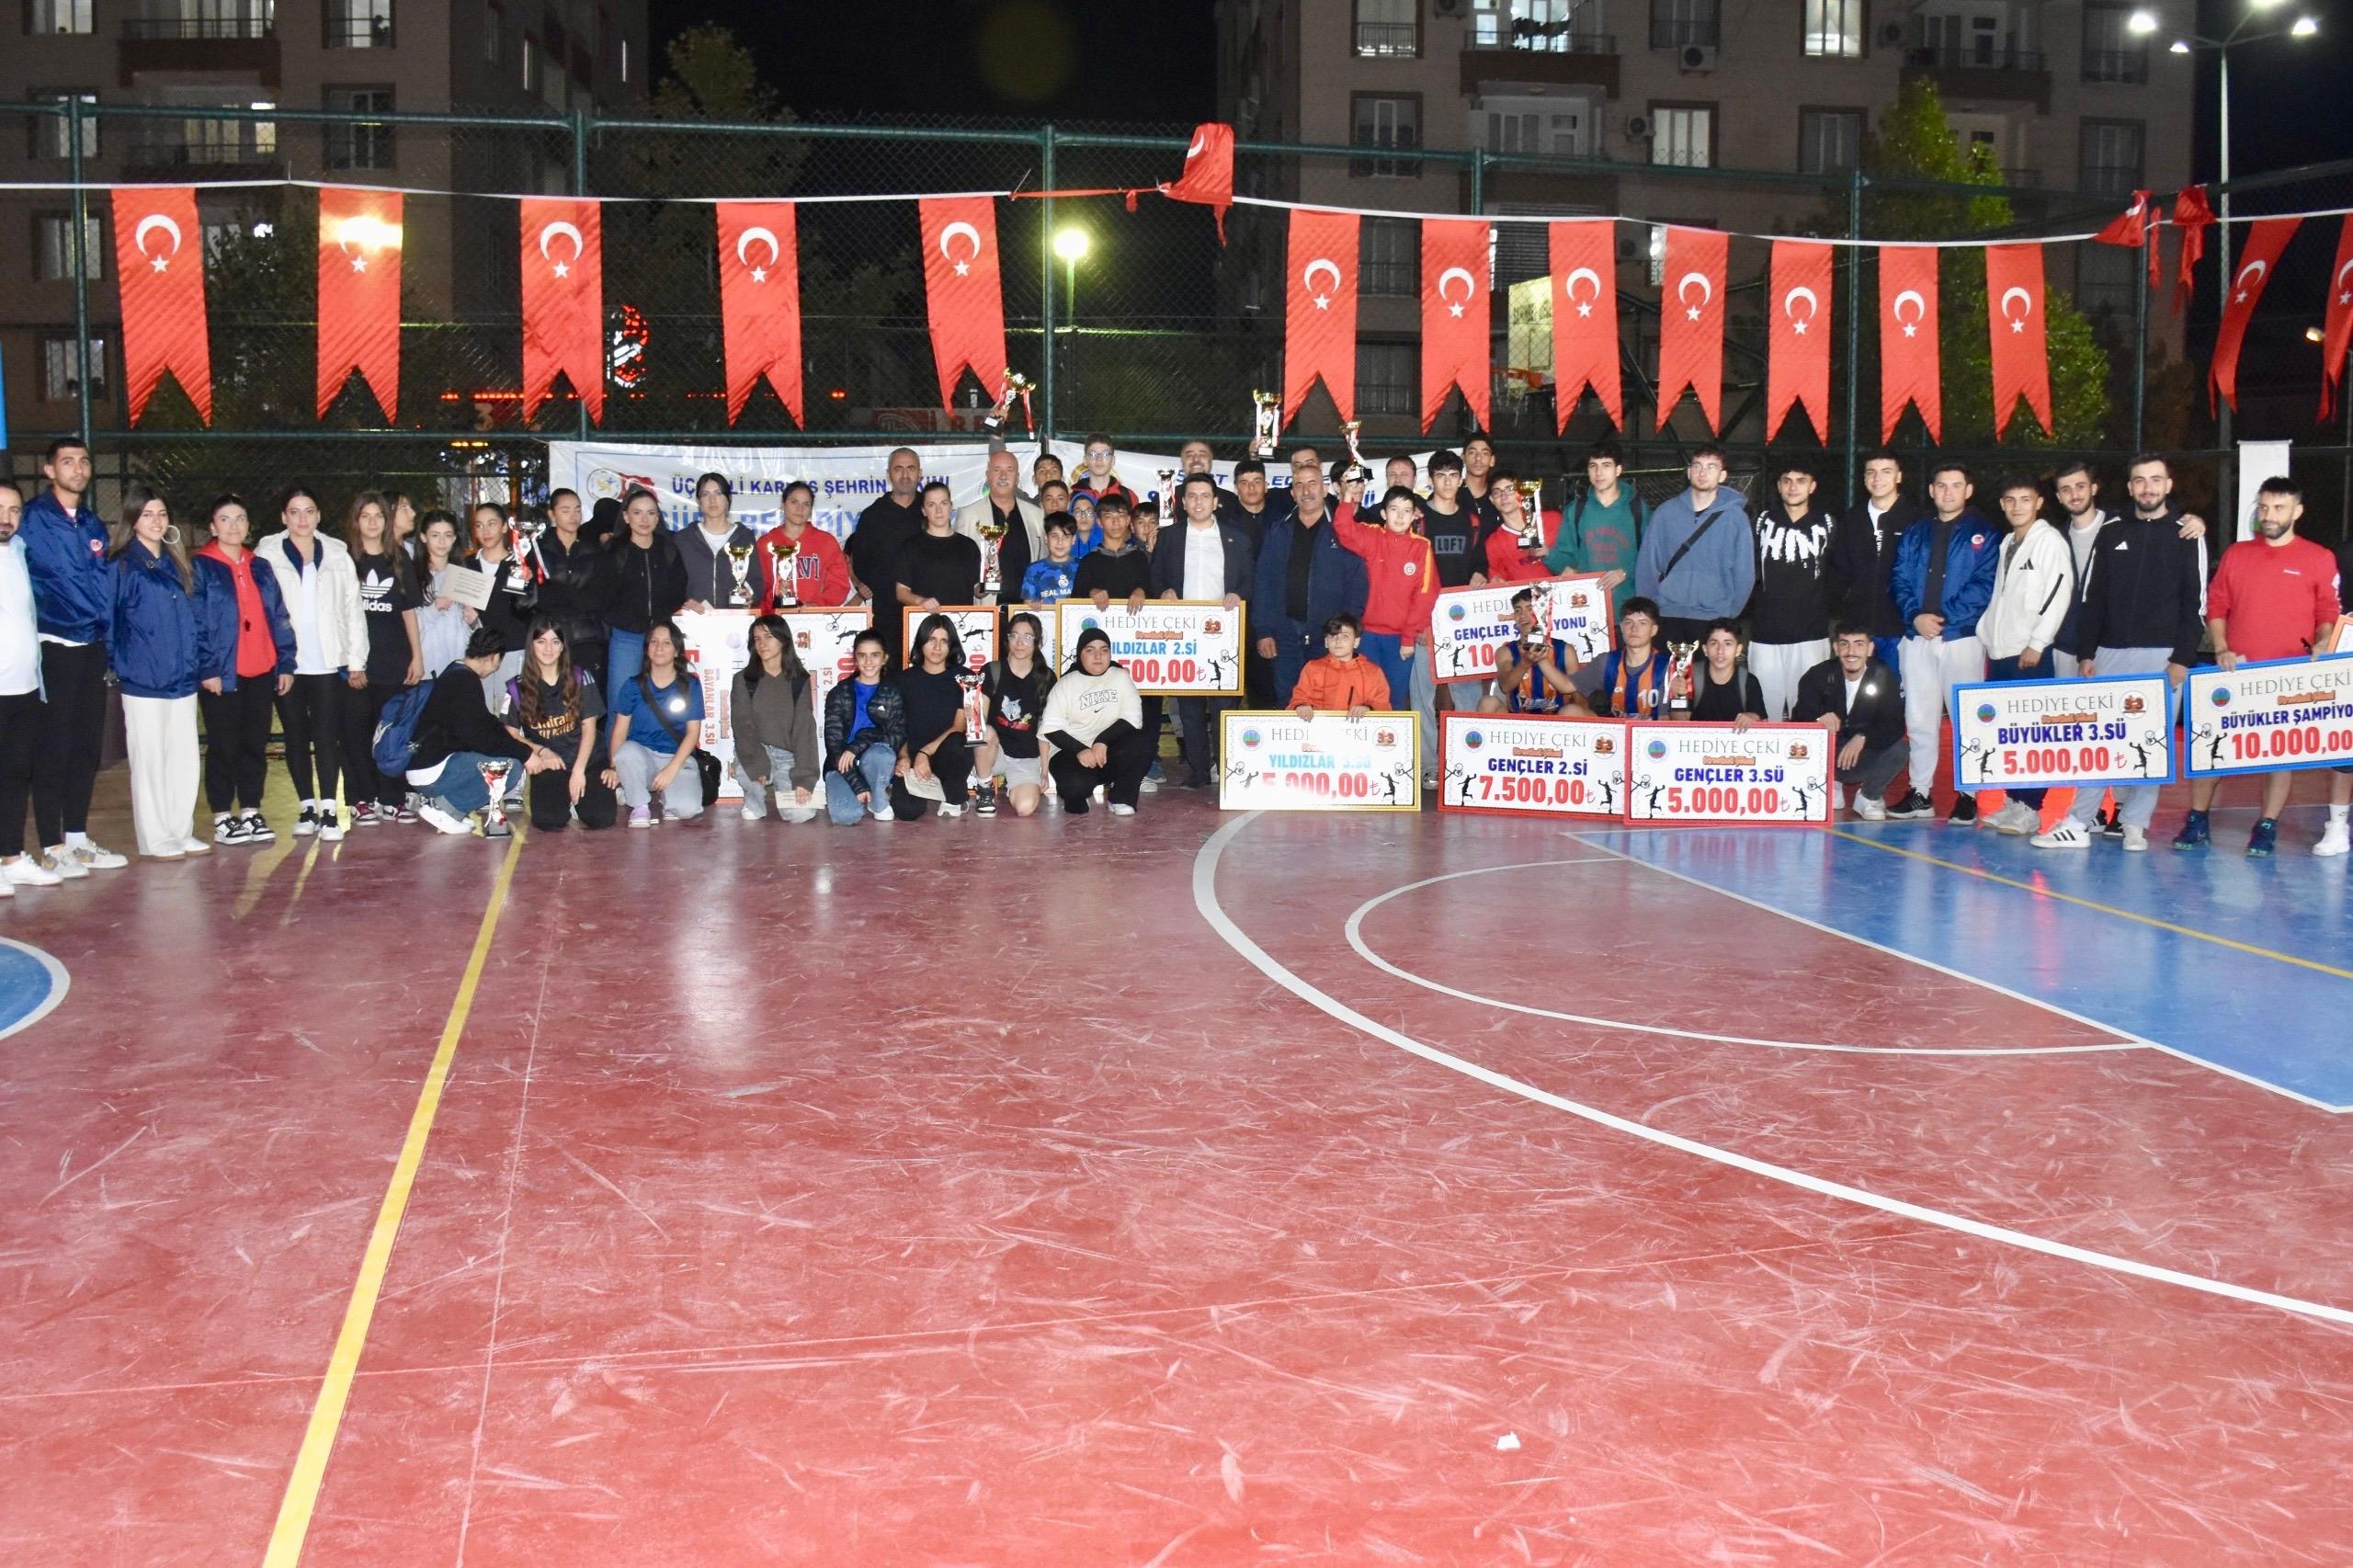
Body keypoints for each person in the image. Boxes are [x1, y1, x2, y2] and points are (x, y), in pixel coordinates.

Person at [2033, 454, 2209, 853]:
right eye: (2140, 481)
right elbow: (2092, 599)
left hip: (2164, 657)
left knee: (2152, 742)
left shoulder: (2188, 534)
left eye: (2156, 480)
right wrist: (2086, 653)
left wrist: (2182, 658)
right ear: (2129, 488)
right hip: (2109, 653)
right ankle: (2079, 821)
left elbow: (2195, 604)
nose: (2148, 487)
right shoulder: (2110, 532)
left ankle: (2135, 824)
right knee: (2101, 738)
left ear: (2168, 485)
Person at [2174, 476, 2340, 858]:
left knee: (2279, 755)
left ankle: (2267, 825)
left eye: (2279, 508)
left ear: (2297, 512)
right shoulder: (2237, 554)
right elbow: (2216, 606)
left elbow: (2327, 611)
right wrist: (2222, 648)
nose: (2269, 515)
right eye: (2264, 507)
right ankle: (2197, 819)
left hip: (2288, 674)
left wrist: (2321, 642)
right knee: (2210, 749)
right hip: (2236, 673)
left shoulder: (2318, 557)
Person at [17, 437, 127, 875]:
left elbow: (101, 586)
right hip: (54, 647)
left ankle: (77, 838)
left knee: (85, 748)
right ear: (49, 470)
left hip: (91, 648)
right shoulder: (31, 521)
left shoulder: (92, 524)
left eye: (83, 462)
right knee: (53, 749)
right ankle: (51, 845)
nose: (78, 469)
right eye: (68, 462)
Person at [105, 488, 225, 859]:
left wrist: (199, 664)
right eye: (147, 515)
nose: (156, 521)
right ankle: (156, 838)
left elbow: (193, 620)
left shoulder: (179, 562)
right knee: (150, 760)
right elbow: (108, 623)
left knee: (184, 758)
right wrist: (124, 664)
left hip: (181, 679)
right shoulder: (122, 564)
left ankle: (180, 830)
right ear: (132, 521)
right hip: (144, 681)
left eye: (161, 514)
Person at [1889, 462, 2000, 824]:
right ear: (1932, 491)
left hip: (1961, 639)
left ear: (1968, 490)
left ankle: (1969, 795)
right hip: (1916, 637)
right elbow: (1900, 577)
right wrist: (1916, 616)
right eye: (1941, 486)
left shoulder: (1985, 533)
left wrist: (1945, 619)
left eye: (1956, 485)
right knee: (1919, 718)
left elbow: (1985, 585)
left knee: (1968, 719)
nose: (1948, 492)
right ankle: (1920, 793)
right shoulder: (1916, 531)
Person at [258, 485, 368, 842]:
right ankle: (306, 806)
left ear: (319, 515)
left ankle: (329, 811)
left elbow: (353, 610)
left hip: (326, 662)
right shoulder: (268, 552)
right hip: (287, 662)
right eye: (294, 511)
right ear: (283, 517)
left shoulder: (337, 552)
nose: (302, 518)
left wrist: (355, 659)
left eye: (309, 511)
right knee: (295, 735)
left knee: (326, 736)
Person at [1973, 474, 2075, 835]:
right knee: (2006, 734)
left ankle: (2032, 807)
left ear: (2039, 503)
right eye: (2011, 500)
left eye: (2025, 499)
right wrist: (1986, 633)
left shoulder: (2049, 541)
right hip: (2001, 652)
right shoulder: (2006, 543)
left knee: (2030, 733)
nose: (2018, 506)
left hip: (2029, 654)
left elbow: (2059, 592)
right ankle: (2014, 801)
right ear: (2002, 505)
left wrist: (2038, 641)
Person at [192, 494, 296, 845]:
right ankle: (223, 815)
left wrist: (284, 661)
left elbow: (279, 616)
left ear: (248, 525)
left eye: (240, 518)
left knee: (255, 743)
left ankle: (251, 810)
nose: (233, 526)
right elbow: (197, 622)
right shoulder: (202, 566)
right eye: (225, 519)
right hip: (224, 673)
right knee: (223, 745)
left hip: (261, 669)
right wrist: (208, 667)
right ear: (212, 526)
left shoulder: (260, 566)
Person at [405, 627, 562, 836]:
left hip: (427, 764)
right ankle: (446, 809)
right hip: (435, 769)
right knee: (510, 768)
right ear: (495, 657)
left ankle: (447, 806)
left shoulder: (456, 671)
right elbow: (478, 735)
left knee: (502, 756)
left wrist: (522, 747)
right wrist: (524, 755)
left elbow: (485, 724)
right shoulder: (464, 681)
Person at [1151, 474, 1254, 789]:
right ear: (1183, 503)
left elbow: (1251, 579)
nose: (1198, 502)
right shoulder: (1169, 537)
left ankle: (1226, 766)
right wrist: (1165, 591)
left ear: (1215, 501)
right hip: (1184, 633)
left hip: (1223, 633)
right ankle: (1198, 770)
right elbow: (1154, 576)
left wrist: (1239, 594)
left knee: (1224, 705)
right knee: (1191, 706)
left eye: (1204, 496)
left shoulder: (1237, 538)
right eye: (1192, 496)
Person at [1252, 449, 1368, 709]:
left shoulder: (1344, 532)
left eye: (1312, 483)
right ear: (1292, 493)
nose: (1306, 491)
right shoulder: (1278, 531)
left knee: (1331, 700)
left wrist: (1343, 630)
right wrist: (1264, 630)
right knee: (1288, 698)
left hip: (1329, 635)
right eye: (1299, 485)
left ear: (1325, 489)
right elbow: (1264, 583)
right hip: (1285, 634)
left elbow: (1357, 585)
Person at [1333, 483, 1439, 751]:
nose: (1400, 516)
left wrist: (1407, 638)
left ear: (1416, 515)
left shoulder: (1421, 547)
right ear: (1383, 513)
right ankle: (1359, 753)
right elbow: (1343, 529)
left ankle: (1391, 757)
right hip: (1367, 636)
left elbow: (1425, 595)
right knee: (1362, 695)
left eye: (1406, 511)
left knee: (1393, 697)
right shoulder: (1372, 537)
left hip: (1399, 640)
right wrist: (1347, 497)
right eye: (1394, 510)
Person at [342, 493, 423, 826]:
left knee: (391, 732)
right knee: (356, 732)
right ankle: (360, 799)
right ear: (355, 521)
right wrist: (351, 662)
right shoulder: (345, 559)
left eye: (378, 515)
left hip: (393, 660)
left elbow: (409, 612)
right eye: (365, 516)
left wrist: (417, 656)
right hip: (358, 664)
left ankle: (392, 798)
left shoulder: (399, 558)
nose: (373, 522)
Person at [1745, 459, 1838, 722]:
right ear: (1778, 486)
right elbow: (1747, 568)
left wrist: (1824, 606)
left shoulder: (1827, 522)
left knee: (1809, 712)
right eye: (1787, 481)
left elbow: (1839, 571)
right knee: (1765, 714)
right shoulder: (1762, 521)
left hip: (1811, 632)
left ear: (1812, 486)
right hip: (1765, 632)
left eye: (1801, 481)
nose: (1793, 487)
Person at [1636, 445, 1755, 646]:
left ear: (1722, 475)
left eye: (1711, 467)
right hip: (1667, 614)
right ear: (1689, 472)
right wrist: (1647, 611)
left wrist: (1729, 612)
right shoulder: (1665, 513)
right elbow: (1648, 564)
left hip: (1714, 617)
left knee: (1706, 677)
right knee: (1667, 676)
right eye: (1697, 466)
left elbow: (1745, 572)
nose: (1702, 472)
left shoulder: (1736, 518)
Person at [0, 483, 58, 892]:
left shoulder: (19, 552)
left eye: (15, 510)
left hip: (23, 688)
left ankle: (12, 856)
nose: (6, 517)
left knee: (16, 774)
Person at [508, 618, 618, 832]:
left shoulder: (580, 677)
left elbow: (589, 728)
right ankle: (563, 797)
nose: (548, 648)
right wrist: (541, 751)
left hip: (586, 759)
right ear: (531, 645)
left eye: (555, 641)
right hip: (551, 763)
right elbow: (510, 733)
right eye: (541, 641)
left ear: (563, 647)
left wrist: (579, 771)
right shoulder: (517, 687)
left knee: (601, 818)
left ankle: (578, 799)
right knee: (549, 821)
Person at [1792, 625, 1907, 820]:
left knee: (1900, 749)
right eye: (1844, 644)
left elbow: (1894, 724)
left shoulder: (1884, 676)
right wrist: (1818, 718)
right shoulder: (1817, 675)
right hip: (1827, 757)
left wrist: (1863, 737)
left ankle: (1868, 796)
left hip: (1861, 755)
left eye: (1859, 644)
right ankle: (1829, 783)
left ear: (1870, 649)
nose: (1851, 652)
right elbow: (1798, 716)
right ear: (1836, 648)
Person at [604, 617, 705, 827]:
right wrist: (614, 767)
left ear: (677, 651)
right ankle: (640, 805)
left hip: (676, 758)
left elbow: (692, 734)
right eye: (654, 642)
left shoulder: (690, 685)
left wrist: (671, 769)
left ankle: (669, 797)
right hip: (643, 757)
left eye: (667, 643)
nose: (659, 648)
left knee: (687, 810)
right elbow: (620, 732)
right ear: (647, 648)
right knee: (625, 753)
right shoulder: (633, 685)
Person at [1828, 449, 1921, 673]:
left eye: (1886, 472)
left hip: (1902, 629)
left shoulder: (1917, 519)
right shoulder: (1851, 519)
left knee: (1899, 698)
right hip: (1858, 630)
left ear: (1899, 476)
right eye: (1871, 472)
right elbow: (1839, 572)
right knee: (1858, 698)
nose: (1877, 479)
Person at [1043, 626, 1151, 814]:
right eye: (1090, 650)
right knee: (1075, 788)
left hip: (1106, 751)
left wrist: (1102, 740)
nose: (1098, 656)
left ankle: (1121, 798)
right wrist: (1081, 749)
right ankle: (1075, 797)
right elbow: (1051, 729)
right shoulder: (1065, 684)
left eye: (1104, 650)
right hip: (1071, 752)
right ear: (1080, 654)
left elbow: (1133, 718)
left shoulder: (1120, 677)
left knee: (1142, 743)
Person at [728, 613, 821, 824]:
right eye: (757, 638)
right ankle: (754, 798)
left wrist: (804, 779)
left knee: (802, 815)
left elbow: (804, 729)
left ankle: (779, 790)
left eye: (768, 636)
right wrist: (757, 763)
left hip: (787, 757)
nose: (762, 643)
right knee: (753, 809)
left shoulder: (799, 680)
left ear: (783, 639)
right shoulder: (743, 680)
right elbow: (742, 726)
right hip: (754, 750)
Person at [1543, 438, 1643, 622]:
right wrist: (1547, 554)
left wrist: (1625, 571)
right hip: (1588, 610)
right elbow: (1567, 558)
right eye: (1593, 466)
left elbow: (1653, 557)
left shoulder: (1637, 509)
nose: (1599, 472)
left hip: (1629, 611)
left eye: (1606, 465)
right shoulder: (1575, 510)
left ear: (1618, 470)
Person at [601, 486, 688, 692]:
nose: (644, 519)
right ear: (626, 516)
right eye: (637, 513)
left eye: (651, 513)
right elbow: (601, 594)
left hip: (661, 638)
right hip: (626, 637)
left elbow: (678, 588)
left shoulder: (668, 549)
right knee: (621, 701)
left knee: (662, 699)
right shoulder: (614, 551)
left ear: (658, 517)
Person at [892, 612, 976, 820]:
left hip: (946, 754)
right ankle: (936, 789)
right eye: (931, 640)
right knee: (906, 811)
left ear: (952, 645)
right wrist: (904, 757)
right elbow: (898, 727)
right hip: (913, 756)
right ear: (921, 643)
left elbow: (959, 727)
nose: (937, 647)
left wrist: (925, 753)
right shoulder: (902, 680)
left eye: (944, 641)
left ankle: (953, 796)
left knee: (958, 742)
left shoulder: (968, 677)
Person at [822, 629, 904, 824]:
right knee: (845, 816)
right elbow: (833, 745)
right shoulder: (838, 692)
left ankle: (878, 800)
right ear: (855, 659)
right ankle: (864, 791)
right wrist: (857, 785)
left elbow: (897, 735)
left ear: (885, 658)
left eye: (875, 655)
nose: (868, 662)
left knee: (882, 753)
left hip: (874, 760)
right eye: (862, 655)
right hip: (841, 763)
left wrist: (856, 746)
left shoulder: (892, 693)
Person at [976, 611, 1054, 817]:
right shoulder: (992, 670)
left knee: (1025, 808)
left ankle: (1014, 786)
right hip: (995, 751)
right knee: (985, 732)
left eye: (1027, 637)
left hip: (1026, 757)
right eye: (1014, 635)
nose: (1020, 642)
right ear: (1007, 638)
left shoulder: (1046, 677)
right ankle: (984, 788)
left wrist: (1044, 770)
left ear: (1037, 641)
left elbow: (1045, 727)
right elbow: (979, 721)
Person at [535, 487, 611, 687]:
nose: (573, 516)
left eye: (577, 510)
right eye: (565, 510)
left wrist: (557, 592)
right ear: (552, 514)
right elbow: (532, 598)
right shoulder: (538, 550)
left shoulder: (594, 550)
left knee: (589, 704)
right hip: (551, 639)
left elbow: (602, 596)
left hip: (588, 638)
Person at [847, 447, 926, 628]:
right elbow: (860, 563)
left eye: (911, 468)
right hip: (887, 612)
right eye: (898, 469)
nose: (905, 475)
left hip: (926, 608)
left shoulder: (932, 510)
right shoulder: (872, 515)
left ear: (920, 473)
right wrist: (884, 588)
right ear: (888, 474)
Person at [1480, 588, 1587, 716]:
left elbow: (1576, 694)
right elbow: (1505, 686)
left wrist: (1541, 658)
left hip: (1559, 721)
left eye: (1530, 609)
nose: (1522, 616)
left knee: (1573, 711)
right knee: (1488, 703)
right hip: (1521, 721)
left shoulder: (1565, 649)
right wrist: (1525, 663)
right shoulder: (1506, 651)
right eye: (1518, 610)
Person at [893, 481, 984, 631]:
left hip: (961, 625)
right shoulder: (911, 546)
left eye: (943, 503)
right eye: (931, 505)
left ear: (951, 506)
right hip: (924, 624)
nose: (938, 510)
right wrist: (921, 601)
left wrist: (990, 584)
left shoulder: (968, 546)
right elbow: (901, 592)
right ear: (923, 510)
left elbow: (977, 590)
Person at [957, 449, 1043, 601]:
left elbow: (1043, 564)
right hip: (987, 612)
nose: (1003, 476)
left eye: (1009, 470)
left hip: (1027, 613)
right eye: (997, 470)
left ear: (1017, 478)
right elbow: (959, 570)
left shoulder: (1036, 515)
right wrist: (980, 588)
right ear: (988, 476)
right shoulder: (968, 515)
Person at [755, 481, 855, 610]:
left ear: (811, 509)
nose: (800, 509)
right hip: (775, 621)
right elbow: (758, 587)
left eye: (806, 504)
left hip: (813, 619)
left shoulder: (826, 542)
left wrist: (817, 606)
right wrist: (774, 597)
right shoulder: (766, 544)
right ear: (783, 505)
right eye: (794, 502)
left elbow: (839, 585)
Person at [676, 471, 766, 613]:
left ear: (728, 499)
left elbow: (756, 583)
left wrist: (750, 596)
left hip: (735, 620)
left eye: (718, 493)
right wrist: (684, 602)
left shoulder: (745, 537)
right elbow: (673, 586)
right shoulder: (683, 539)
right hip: (694, 621)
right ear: (699, 501)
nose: (712, 500)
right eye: (705, 494)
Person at [1288, 612, 1389, 717]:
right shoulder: (1312, 668)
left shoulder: (1373, 672)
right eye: (1333, 636)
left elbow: (1383, 705)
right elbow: (1298, 699)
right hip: (1319, 729)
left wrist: (1369, 709)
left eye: (1345, 636)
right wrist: (1300, 706)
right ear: (1326, 642)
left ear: (1356, 641)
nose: (1338, 641)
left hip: (1358, 729)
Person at [1670, 619, 1767, 727]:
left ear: (1738, 650)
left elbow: (1763, 722)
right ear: (1705, 649)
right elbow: (1680, 724)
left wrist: (1752, 717)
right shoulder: (1690, 676)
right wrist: (1677, 696)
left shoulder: (1748, 681)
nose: (1720, 650)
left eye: (1728, 644)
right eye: (1714, 643)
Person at [1590, 597, 1673, 719]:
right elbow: (1567, 686)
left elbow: (1667, 719)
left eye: (1642, 623)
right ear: (1622, 627)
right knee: (1571, 710)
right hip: (1615, 732)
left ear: (1654, 630)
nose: (1634, 629)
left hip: (1653, 735)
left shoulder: (1667, 665)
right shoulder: (1607, 660)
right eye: (1629, 622)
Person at [414, 509, 474, 676]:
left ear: (455, 538)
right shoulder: (412, 576)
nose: (442, 541)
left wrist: (473, 621)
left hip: (459, 664)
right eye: (435, 535)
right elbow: (408, 626)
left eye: (448, 535)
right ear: (423, 537)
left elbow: (474, 629)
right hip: (426, 667)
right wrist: (434, 608)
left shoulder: (464, 575)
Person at [1478, 468, 1556, 585]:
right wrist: (1496, 582)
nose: (1503, 496)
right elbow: (1497, 579)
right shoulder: (1493, 544)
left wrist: (1551, 554)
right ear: (1492, 500)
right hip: (1524, 601)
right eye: (1497, 492)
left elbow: (1575, 561)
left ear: (1521, 492)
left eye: (1510, 489)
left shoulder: (1554, 520)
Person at [1021, 514, 1081, 607]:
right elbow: (1027, 605)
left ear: (1073, 540)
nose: (1060, 542)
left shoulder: (1083, 567)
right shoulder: (1033, 570)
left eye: (1066, 537)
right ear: (1046, 538)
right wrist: (1033, 605)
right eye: (1054, 536)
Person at [1074, 432, 1136, 507]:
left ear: (1113, 460)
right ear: (1085, 460)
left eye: (1105, 454)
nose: (1099, 459)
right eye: (1093, 454)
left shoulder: (1128, 496)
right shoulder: (1073, 497)